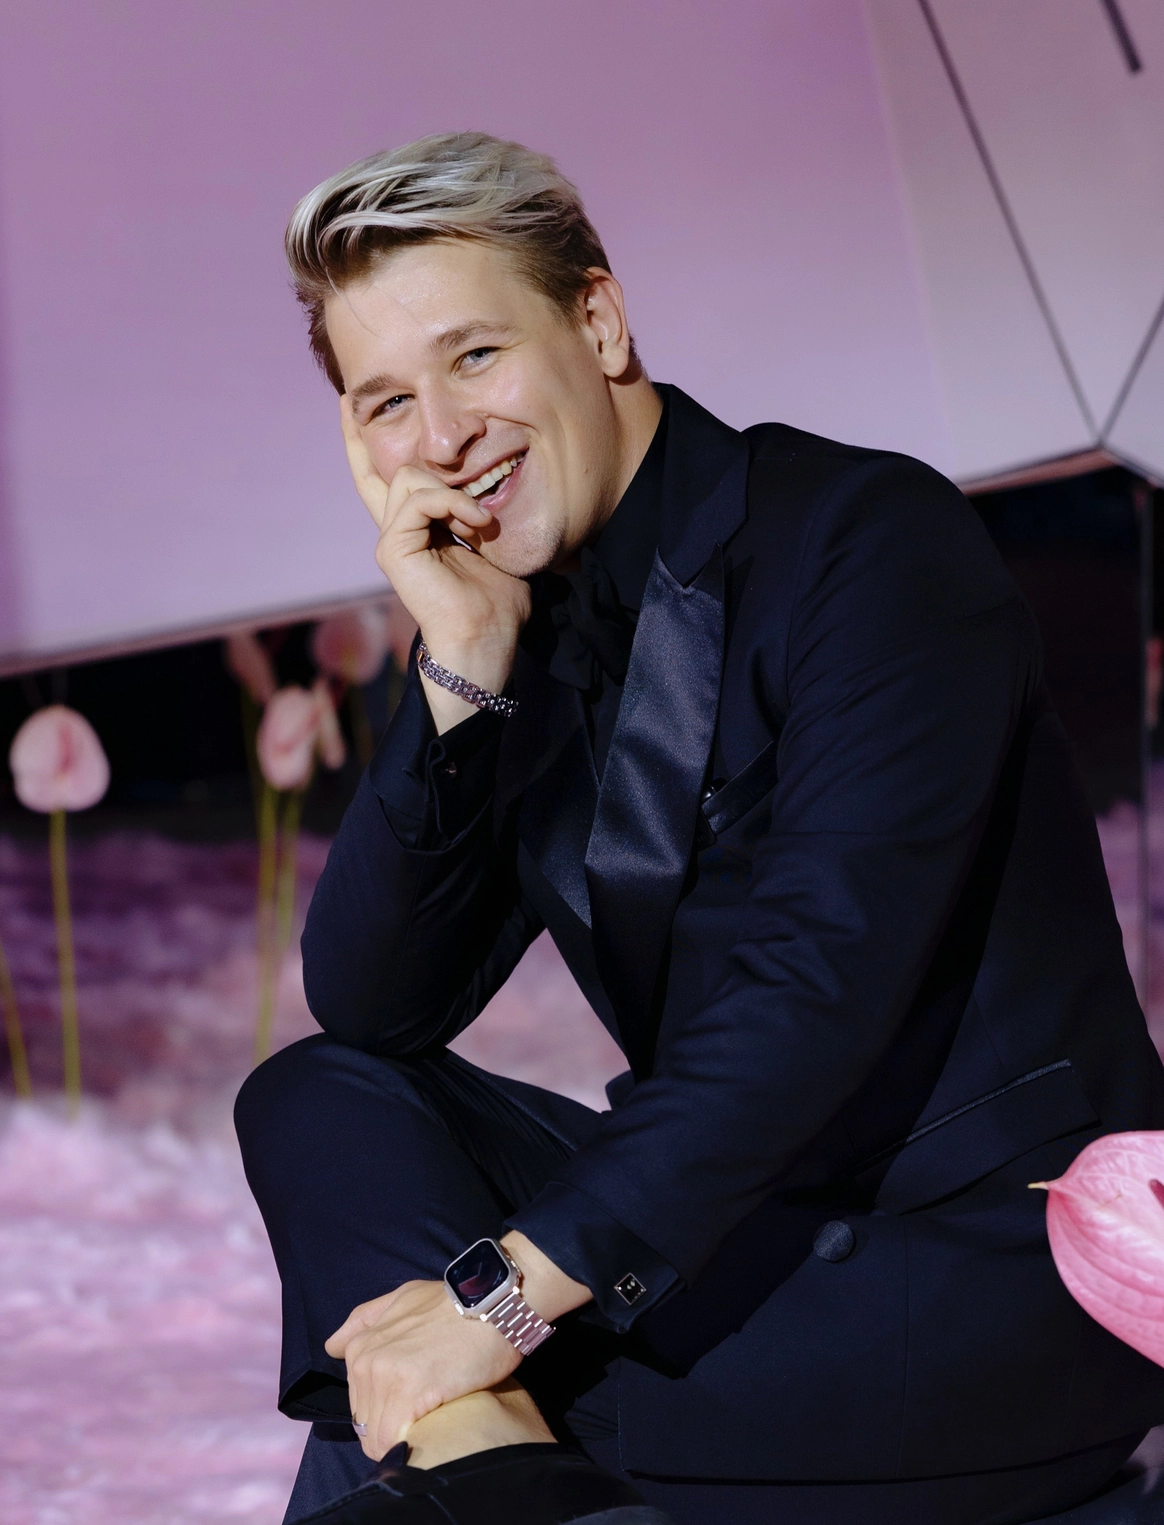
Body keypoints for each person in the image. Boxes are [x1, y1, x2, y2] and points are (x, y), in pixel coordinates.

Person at [235, 131, 1164, 1525]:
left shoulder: (868, 541)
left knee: (386, 1377)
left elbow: (814, 988)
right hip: (732, 1243)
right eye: (387, 402)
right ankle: (492, 1464)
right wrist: (460, 676)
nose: (441, 436)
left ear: (599, 321)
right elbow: (372, 1007)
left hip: (971, 1286)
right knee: (319, 1096)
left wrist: (494, 1306)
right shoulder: (512, 622)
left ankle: (485, 1464)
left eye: (475, 357)